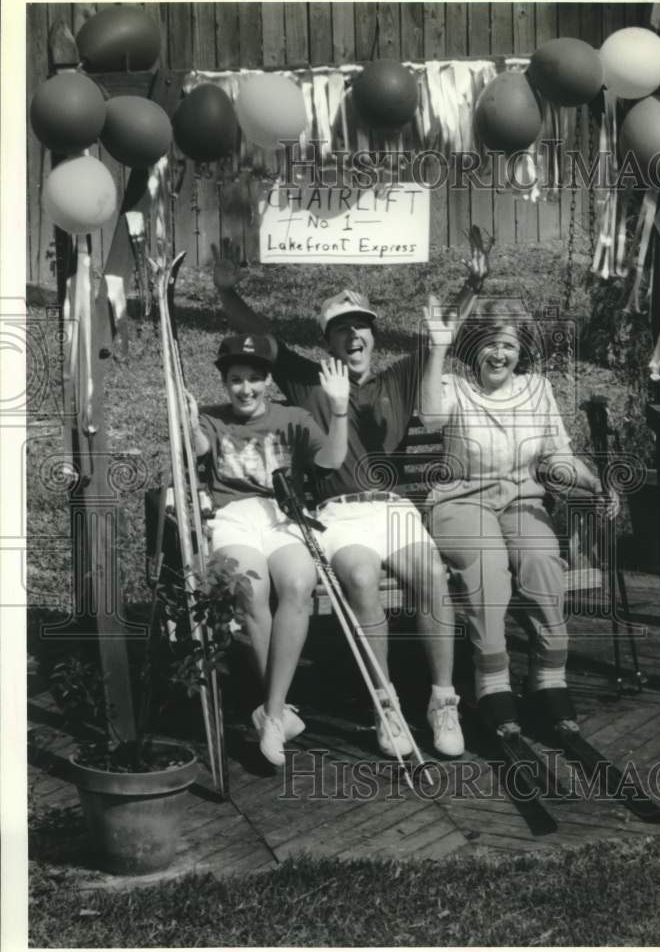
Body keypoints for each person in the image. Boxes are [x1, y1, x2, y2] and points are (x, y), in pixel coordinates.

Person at [211, 238, 490, 760]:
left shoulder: (399, 377)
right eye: (341, 328)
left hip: (391, 507)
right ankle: (386, 706)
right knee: (361, 578)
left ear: (372, 334)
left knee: (430, 576)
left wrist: (471, 287)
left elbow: (439, 336)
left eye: (360, 325)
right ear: (329, 342)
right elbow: (258, 336)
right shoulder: (309, 381)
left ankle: (441, 701)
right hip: (336, 516)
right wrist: (226, 291)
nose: (353, 334)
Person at [419, 298, 620, 737]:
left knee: (541, 560)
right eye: (489, 343)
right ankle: (491, 683)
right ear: (473, 347)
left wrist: (594, 484)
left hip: (520, 499)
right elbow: (430, 417)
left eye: (508, 345)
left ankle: (548, 679)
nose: (499, 354)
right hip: (461, 502)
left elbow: (555, 458)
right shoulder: (455, 387)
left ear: (520, 350)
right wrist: (437, 348)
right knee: (488, 566)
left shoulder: (538, 389)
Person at [185, 334, 350, 767]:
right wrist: (185, 421)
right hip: (234, 517)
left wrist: (338, 408)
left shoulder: (291, 417)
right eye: (236, 380)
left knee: (299, 582)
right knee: (252, 591)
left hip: (282, 515)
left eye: (255, 379)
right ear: (224, 382)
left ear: (267, 379)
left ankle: (271, 713)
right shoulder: (211, 420)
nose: (246, 389)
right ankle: (277, 713)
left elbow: (331, 460)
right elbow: (197, 449)